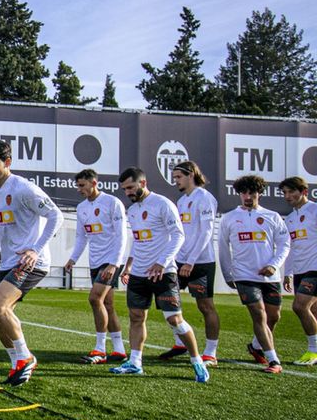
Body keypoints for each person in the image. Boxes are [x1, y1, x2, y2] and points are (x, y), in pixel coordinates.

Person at [111, 167, 209, 382]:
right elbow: (138, 241)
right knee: (137, 317)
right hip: (139, 274)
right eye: (124, 189)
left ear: (143, 183)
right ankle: (135, 362)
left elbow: (178, 235)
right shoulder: (133, 210)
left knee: (174, 319)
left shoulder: (163, 204)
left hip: (163, 273)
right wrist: (128, 266)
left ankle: (197, 361)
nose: (127, 192)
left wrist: (162, 263)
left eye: (130, 187)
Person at [0, 140, 63, 386]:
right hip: (8, 261)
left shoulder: (23, 188)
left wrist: (36, 250)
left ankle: (25, 358)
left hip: (30, 262)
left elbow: (56, 216)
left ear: (7, 163)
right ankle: (16, 362)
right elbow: (1, 225)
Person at [218, 175, 290, 374]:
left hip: (270, 277)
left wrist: (274, 266)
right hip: (244, 276)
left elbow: (285, 245)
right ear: (239, 194)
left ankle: (255, 346)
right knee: (259, 315)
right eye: (244, 193)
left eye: (252, 193)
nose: (247, 196)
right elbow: (223, 249)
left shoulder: (273, 216)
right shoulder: (229, 218)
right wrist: (228, 275)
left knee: (274, 317)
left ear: (259, 193)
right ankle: (273, 360)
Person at [63, 169, 128, 364]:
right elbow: (82, 236)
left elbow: (121, 235)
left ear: (94, 183)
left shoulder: (112, 203)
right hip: (95, 261)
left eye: (82, 185)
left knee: (94, 299)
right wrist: (73, 258)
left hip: (110, 261)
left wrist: (114, 263)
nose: (79, 189)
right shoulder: (82, 207)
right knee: (107, 305)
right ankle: (119, 350)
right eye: (78, 186)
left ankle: (100, 349)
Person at [166, 161, 221, 365]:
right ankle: (180, 342)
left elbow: (207, 232)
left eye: (179, 177)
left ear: (191, 175)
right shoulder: (181, 201)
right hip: (179, 261)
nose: (176, 181)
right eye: (174, 178)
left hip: (200, 262)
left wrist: (190, 261)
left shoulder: (205, 198)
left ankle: (210, 352)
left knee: (205, 306)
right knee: (167, 301)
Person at [280, 176, 317, 365]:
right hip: (301, 270)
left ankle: (313, 351)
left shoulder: (315, 209)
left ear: (304, 192)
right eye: (285, 193)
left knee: (299, 306)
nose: (287, 196)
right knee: (314, 312)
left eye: (291, 192)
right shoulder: (291, 218)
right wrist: (288, 272)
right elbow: (291, 248)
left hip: (315, 269)